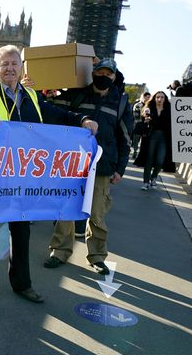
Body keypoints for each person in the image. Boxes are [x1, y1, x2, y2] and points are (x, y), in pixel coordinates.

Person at [0, 45, 98, 306]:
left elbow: (61, 115)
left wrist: (83, 119)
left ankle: (22, 284)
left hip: (22, 183)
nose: (9, 68)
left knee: (21, 236)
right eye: (4, 64)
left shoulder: (32, 97)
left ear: (21, 68)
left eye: (14, 64)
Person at [43, 58, 133, 276]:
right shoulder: (77, 94)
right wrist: (42, 91)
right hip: (73, 164)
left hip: (102, 166)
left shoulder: (120, 102)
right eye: (100, 72)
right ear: (93, 73)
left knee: (97, 214)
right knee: (67, 209)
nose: (104, 77)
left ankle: (97, 257)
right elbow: (50, 109)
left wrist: (120, 168)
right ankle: (59, 251)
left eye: (108, 74)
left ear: (114, 77)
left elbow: (125, 138)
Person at [134, 91, 175, 190]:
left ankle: (154, 178)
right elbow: (141, 124)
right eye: (157, 97)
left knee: (160, 160)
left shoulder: (169, 110)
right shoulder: (148, 109)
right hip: (151, 137)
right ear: (154, 98)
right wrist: (146, 121)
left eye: (162, 97)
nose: (159, 99)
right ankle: (146, 182)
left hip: (164, 138)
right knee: (149, 159)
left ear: (165, 99)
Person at [131, 92, 151, 158]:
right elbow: (136, 116)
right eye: (148, 97)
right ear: (144, 97)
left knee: (143, 141)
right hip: (138, 125)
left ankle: (140, 154)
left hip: (146, 126)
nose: (149, 98)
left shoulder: (149, 106)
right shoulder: (138, 105)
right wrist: (144, 119)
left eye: (149, 97)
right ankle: (135, 151)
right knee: (136, 140)